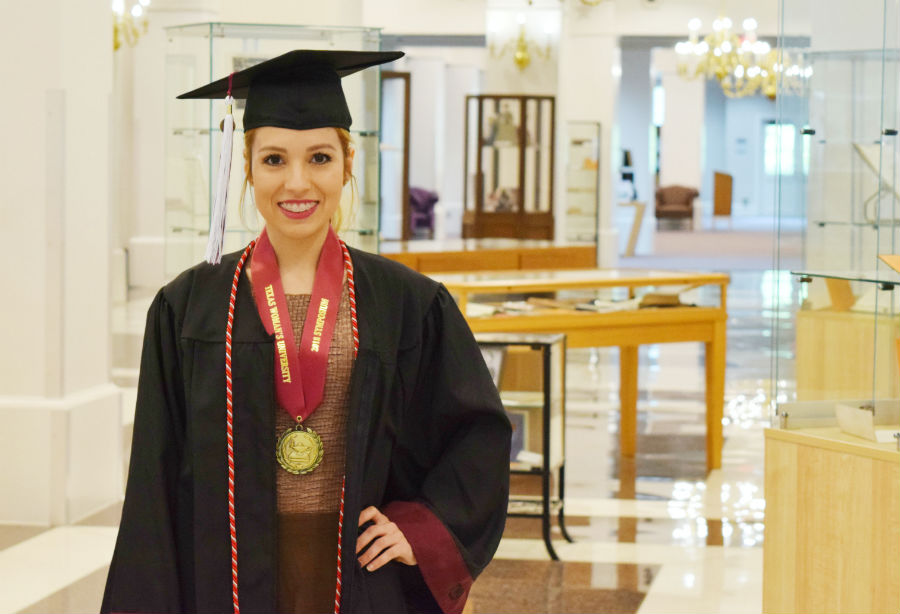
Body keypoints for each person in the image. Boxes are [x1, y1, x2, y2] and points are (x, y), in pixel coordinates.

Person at [101, 50, 511, 614]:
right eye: (274, 160)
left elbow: (476, 434)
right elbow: (156, 472)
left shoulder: (407, 303)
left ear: (347, 164)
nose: (297, 182)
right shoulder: (188, 307)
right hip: (225, 573)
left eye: (319, 157)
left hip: (360, 573)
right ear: (247, 168)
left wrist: (423, 528)